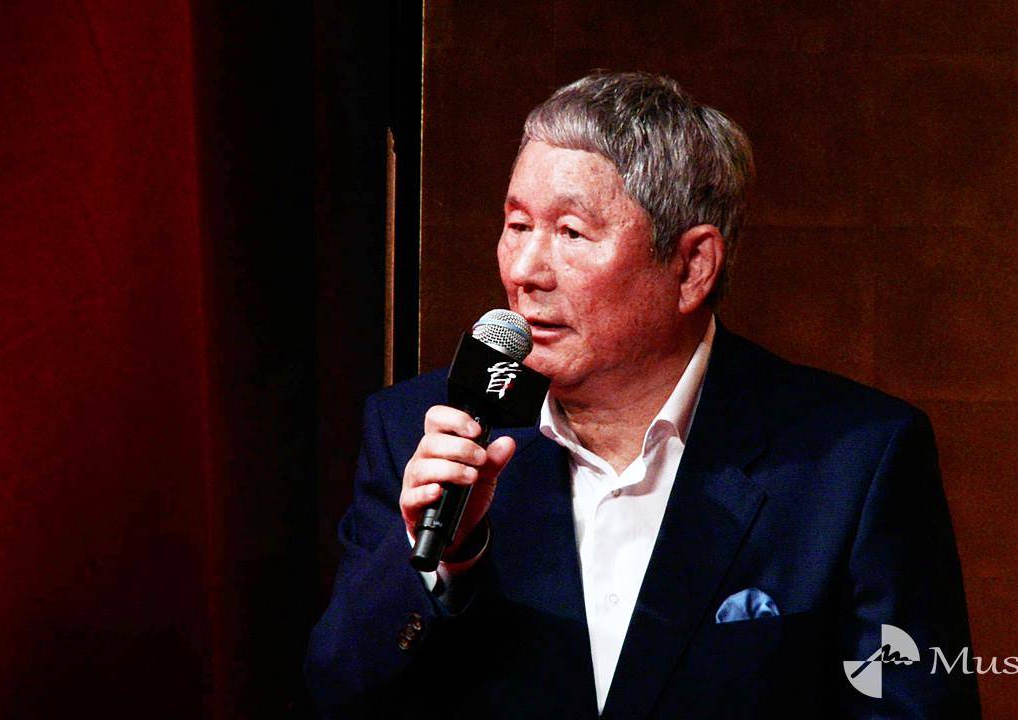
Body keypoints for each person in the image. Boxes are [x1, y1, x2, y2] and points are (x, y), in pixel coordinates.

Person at [307, 71, 980, 719]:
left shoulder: (852, 462)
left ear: (691, 268)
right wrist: (442, 564)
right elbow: (338, 695)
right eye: (517, 225)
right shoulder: (427, 432)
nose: (525, 271)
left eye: (571, 232)